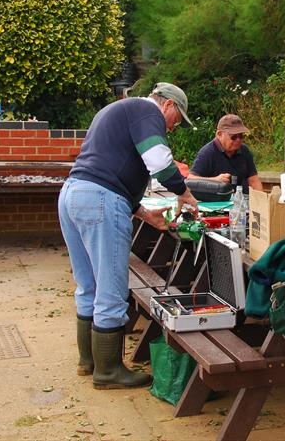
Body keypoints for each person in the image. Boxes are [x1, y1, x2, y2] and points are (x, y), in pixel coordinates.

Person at [58, 82, 199, 390]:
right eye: (177, 120)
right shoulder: (146, 111)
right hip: (100, 200)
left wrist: (144, 214)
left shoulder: (119, 109)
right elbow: (160, 162)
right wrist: (184, 193)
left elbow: (109, 167)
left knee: (88, 285)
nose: (173, 128)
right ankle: (109, 372)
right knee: (111, 289)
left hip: (73, 193)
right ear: (168, 106)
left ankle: (89, 362)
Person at [189, 114, 264, 194]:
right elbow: (190, 179)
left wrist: (263, 201)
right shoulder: (207, 153)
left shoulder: (244, 151)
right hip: (217, 203)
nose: (238, 140)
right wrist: (215, 180)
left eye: (241, 136)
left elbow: (254, 180)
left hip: (241, 201)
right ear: (219, 134)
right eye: (234, 137)